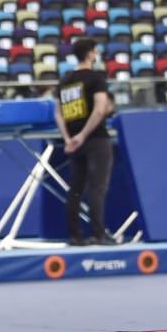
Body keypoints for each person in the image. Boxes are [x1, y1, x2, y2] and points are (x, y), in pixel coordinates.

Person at [54, 38, 117, 246]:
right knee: (96, 188)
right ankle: (98, 234)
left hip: (73, 141)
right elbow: (100, 109)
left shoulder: (65, 80)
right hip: (95, 139)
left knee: (76, 189)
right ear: (90, 54)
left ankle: (74, 235)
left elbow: (58, 113)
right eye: (95, 51)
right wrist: (83, 134)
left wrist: (68, 138)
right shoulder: (95, 78)